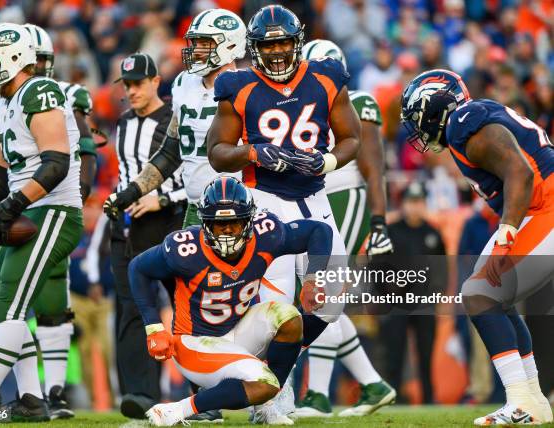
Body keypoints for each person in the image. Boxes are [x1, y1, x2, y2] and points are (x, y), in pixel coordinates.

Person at [205, 5, 372, 417]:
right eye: (268, 44)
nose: (277, 51)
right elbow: (216, 152)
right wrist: (253, 151)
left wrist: (327, 162)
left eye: (283, 42)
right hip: (264, 200)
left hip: (315, 198)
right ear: (255, 48)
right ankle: (272, 396)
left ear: (297, 43)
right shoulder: (238, 85)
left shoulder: (326, 76)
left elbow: (352, 137)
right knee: (275, 306)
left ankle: (275, 367)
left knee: (331, 302)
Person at [0, 23, 98, 420]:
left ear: (14, 59)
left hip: (53, 212)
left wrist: (10, 209)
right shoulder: (7, 103)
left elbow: (57, 163)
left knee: (8, 304)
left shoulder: (38, 91)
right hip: (29, 208)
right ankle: (30, 399)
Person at [102, 11, 246, 421]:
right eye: (195, 42)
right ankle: (204, 401)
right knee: (191, 304)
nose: (195, 50)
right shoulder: (183, 83)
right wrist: (132, 190)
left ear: (229, 44)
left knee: (257, 303)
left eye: (204, 43)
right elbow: (170, 153)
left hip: (244, 209)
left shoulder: (247, 85)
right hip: (197, 211)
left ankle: (271, 397)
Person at [401, 69, 553, 425]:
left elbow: (521, 172)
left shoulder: (464, 122)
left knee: (480, 294)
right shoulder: (471, 119)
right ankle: (534, 401)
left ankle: (520, 400)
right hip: (537, 208)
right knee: (488, 295)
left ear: (434, 107)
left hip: (544, 206)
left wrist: (507, 231)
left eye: (417, 117)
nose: (417, 129)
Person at [128, 177, 333, 426]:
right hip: (195, 343)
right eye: (218, 224)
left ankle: (265, 405)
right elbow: (138, 268)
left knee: (290, 318)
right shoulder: (186, 249)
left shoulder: (265, 235)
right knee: (265, 382)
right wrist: (153, 326)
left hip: (238, 330)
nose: (226, 231)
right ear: (205, 223)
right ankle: (177, 409)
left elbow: (319, 230)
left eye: (234, 223)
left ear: (248, 220)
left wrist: (313, 279)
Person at [294, 39, 395, 418]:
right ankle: (372, 384)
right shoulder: (303, 103)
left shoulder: (358, 101)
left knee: (323, 295)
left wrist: (380, 221)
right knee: (325, 298)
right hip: (315, 200)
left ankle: (318, 395)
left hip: (345, 198)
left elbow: (373, 169)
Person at [106, 52, 186, 419]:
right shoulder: (122, 122)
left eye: (138, 83)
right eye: (127, 84)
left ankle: (200, 391)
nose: (132, 90)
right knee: (131, 309)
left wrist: (163, 198)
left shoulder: (175, 119)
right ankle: (141, 394)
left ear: (156, 81)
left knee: (182, 305)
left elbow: (194, 179)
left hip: (168, 220)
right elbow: (124, 174)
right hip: (127, 225)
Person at [381, 182, 446, 405]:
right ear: (403, 204)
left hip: (424, 303)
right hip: (396, 302)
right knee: (394, 353)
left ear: (424, 204)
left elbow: (441, 269)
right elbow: (377, 265)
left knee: (426, 353)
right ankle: (393, 399)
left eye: (419, 202)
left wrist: (437, 295)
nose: (414, 207)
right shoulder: (391, 231)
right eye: (411, 202)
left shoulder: (433, 233)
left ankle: (429, 399)